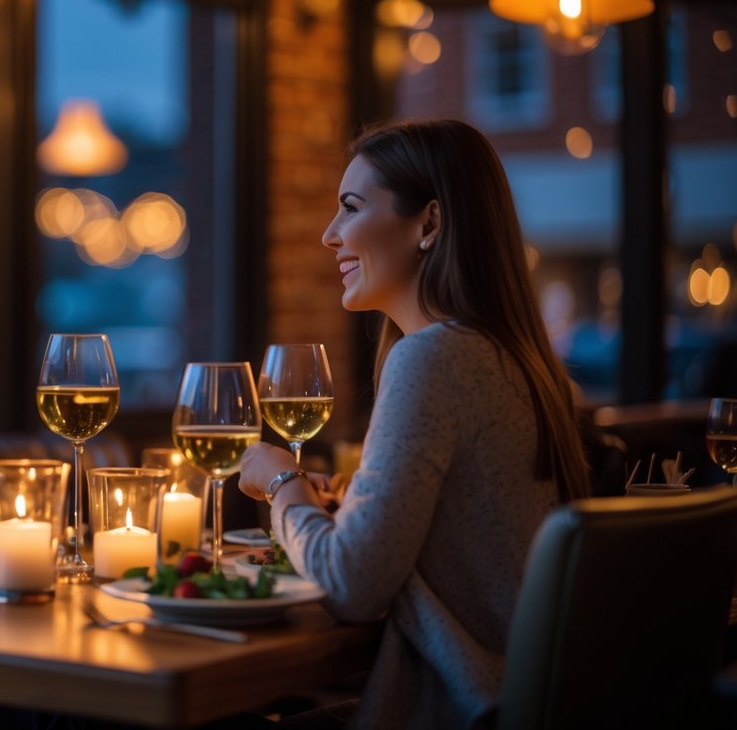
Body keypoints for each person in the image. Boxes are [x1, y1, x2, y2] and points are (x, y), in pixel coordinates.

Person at [239, 119, 591, 730]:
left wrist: (282, 483)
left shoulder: (432, 358)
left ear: (428, 224)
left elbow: (352, 586)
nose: (329, 235)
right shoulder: (523, 363)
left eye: (350, 208)